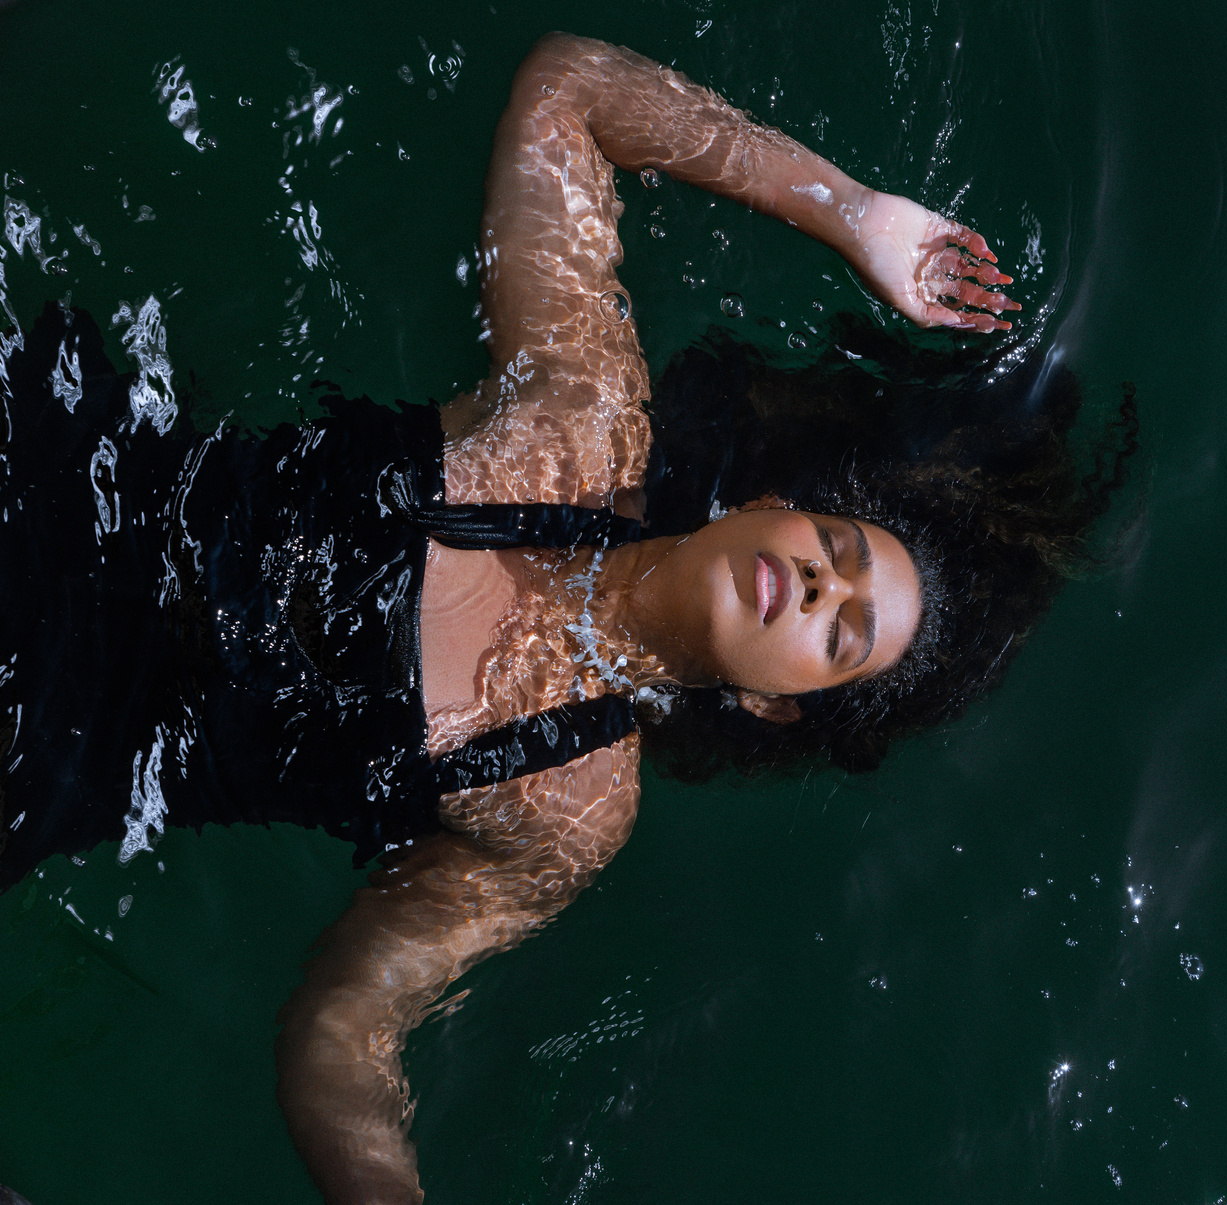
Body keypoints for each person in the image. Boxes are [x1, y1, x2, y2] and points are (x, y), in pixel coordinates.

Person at [0, 33, 1132, 1202]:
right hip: (62, 476)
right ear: (764, 506)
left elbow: (344, 1026)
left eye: (836, 633)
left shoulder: (565, 808)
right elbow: (571, 90)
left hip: (48, 741)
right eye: (836, 554)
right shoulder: (577, 416)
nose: (817, 586)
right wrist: (850, 213)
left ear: (770, 703)